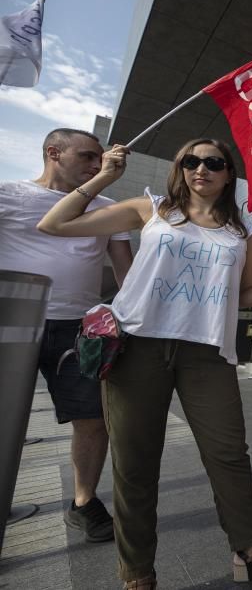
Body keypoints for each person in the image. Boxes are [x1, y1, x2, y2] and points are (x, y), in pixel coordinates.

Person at [37, 139, 252, 589]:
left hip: (208, 353)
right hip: (137, 345)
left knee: (229, 456)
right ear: (179, 168)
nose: (202, 169)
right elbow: (54, 224)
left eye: (213, 163)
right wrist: (104, 178)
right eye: (191, 161)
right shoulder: (151, 210)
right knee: (135, 464)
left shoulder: (245, 233)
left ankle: (250, 550)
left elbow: (240, 294)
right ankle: (137, 573)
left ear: (227, 174)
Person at [0, 128, 133, 543]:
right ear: (53, 153)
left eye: (100, 159)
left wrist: (130, 321)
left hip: (78, 327)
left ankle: (83, 502)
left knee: (93, 418)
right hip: (12, 322)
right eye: (88, 157)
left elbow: (127, 273)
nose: (98, 165)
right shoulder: (8, 195)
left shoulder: (109, 208)